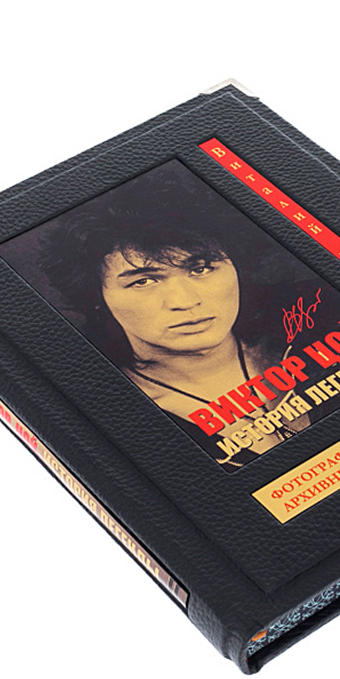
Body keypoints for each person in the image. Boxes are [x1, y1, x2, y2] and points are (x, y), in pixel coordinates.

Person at [38, 160, 311, 467]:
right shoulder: (111, 420)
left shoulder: (315, 326)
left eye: (200, 268)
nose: (185, 301)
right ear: (96, 297)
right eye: (144, 281)